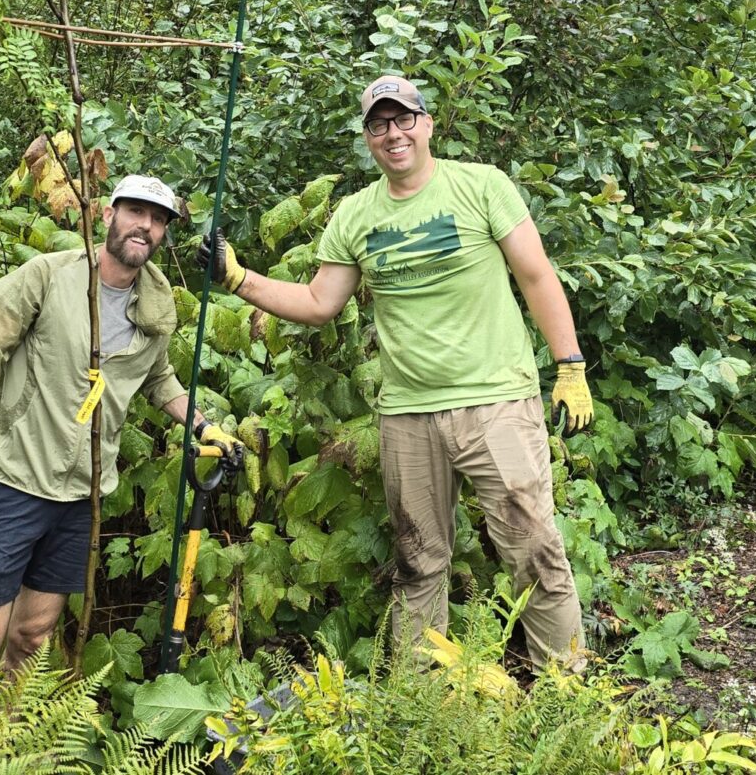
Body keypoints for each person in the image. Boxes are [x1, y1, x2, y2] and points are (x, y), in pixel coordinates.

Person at [199, 75, 592, 670]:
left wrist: (570, 365)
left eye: (403, 118)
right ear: (368, 139)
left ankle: (567, 692)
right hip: (407, 414)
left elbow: (536, 274)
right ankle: (419, 700)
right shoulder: (355, 215)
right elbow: (318, 302)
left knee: (535, 552)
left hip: (497, 403)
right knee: (417, 561)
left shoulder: (481, 186)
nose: (393, 133)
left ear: (427, 124)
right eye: (379, 124)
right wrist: (238, 278)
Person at [0, 174, 237, 669]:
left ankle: (8, 739)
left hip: (80, 496)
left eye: (157, 220)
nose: (145, 226)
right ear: (108, 215)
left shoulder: (156, 303)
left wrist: (202, 425)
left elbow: (160, 378)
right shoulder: (48, 275)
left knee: (33, 636)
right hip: (13, 480)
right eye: (135, 212)